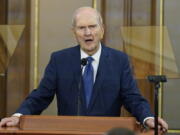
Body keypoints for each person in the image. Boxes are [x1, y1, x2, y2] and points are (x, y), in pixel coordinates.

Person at [0, 6, 168, 134]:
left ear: (102, 29)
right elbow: (40, 96)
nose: (88, 33)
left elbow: (133, 98)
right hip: (69, 133)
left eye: (92, 26)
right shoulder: (59, 60)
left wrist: (148, 118)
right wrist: (18, 117)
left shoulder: (119, 60)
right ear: (74, 32)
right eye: (81, 28)